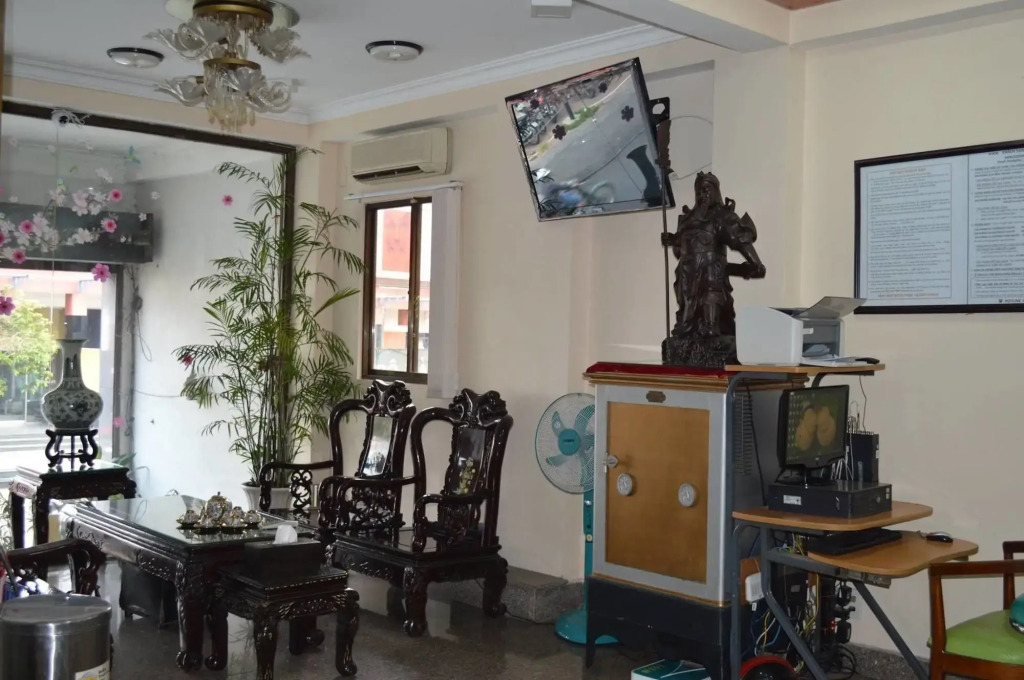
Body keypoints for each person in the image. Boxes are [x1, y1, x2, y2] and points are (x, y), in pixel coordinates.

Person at [660, 171, 765, 340]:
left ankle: (711, 326)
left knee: (711, 296)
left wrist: (755, 262)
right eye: (699, 191)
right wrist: (673, 240)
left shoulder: (722, 216)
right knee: (687, 307)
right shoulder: (687, 220)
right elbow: (680, 250)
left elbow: (739, 239)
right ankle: (687, 327)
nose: (702, 194)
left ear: (715, 192)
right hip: (687, 274)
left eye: (706, 190)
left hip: (711, 271)